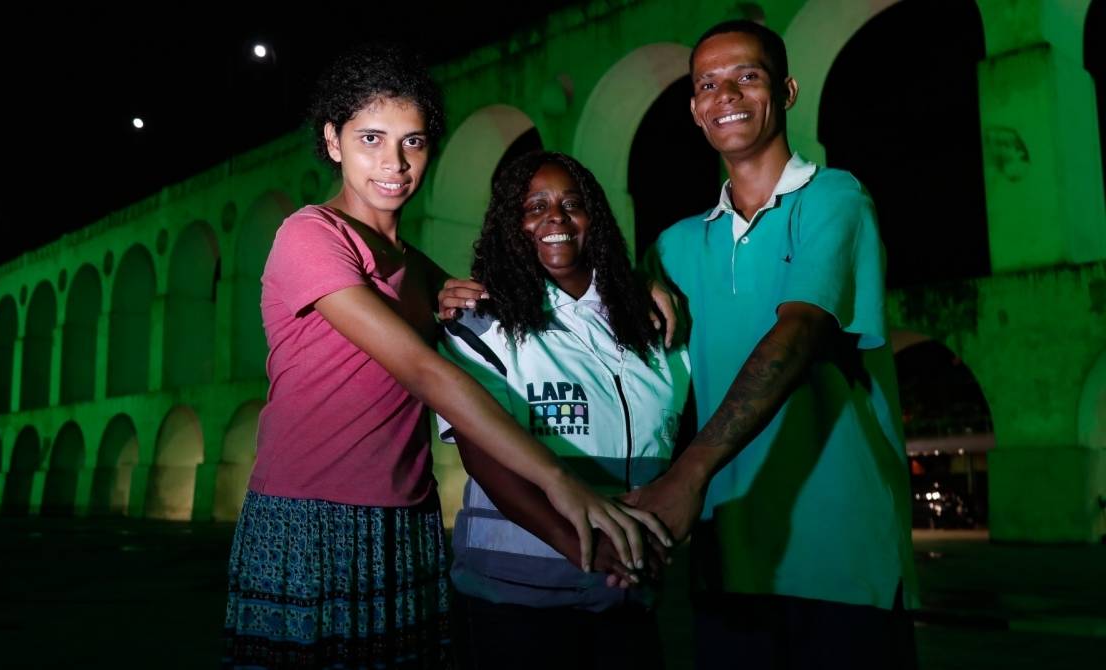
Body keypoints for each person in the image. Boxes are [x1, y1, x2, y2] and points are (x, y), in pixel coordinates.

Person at [223, 44, 667, 669]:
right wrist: (560, 481)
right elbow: (426, 371)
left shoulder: (419, 267)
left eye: (413, 142)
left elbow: (531, 284)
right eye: (371, 138)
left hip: (407, 516)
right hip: (311, 514)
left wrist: (644, 279)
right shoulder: (310, 235)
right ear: (332, 140)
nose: (394, 162)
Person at [622, 20, 920, 669]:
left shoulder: (835, 198)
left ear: (785, 91)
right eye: (707, 83)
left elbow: (799, 330)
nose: (725, 93)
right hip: (730, 563)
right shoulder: (674, 246)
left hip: (843, 565)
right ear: (696, 110)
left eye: (746, 76)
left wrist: (688, 473)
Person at [438, 152, 690, 669]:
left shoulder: (651, 323)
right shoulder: (479, 322)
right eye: (534, 207)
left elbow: (673, 444)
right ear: (512, 224)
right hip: (512, 606)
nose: (556, 217)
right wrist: (585, 549)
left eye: (571, 203)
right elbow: (483, 456)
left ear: (594, 217)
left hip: (627, 596)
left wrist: (644, 545)